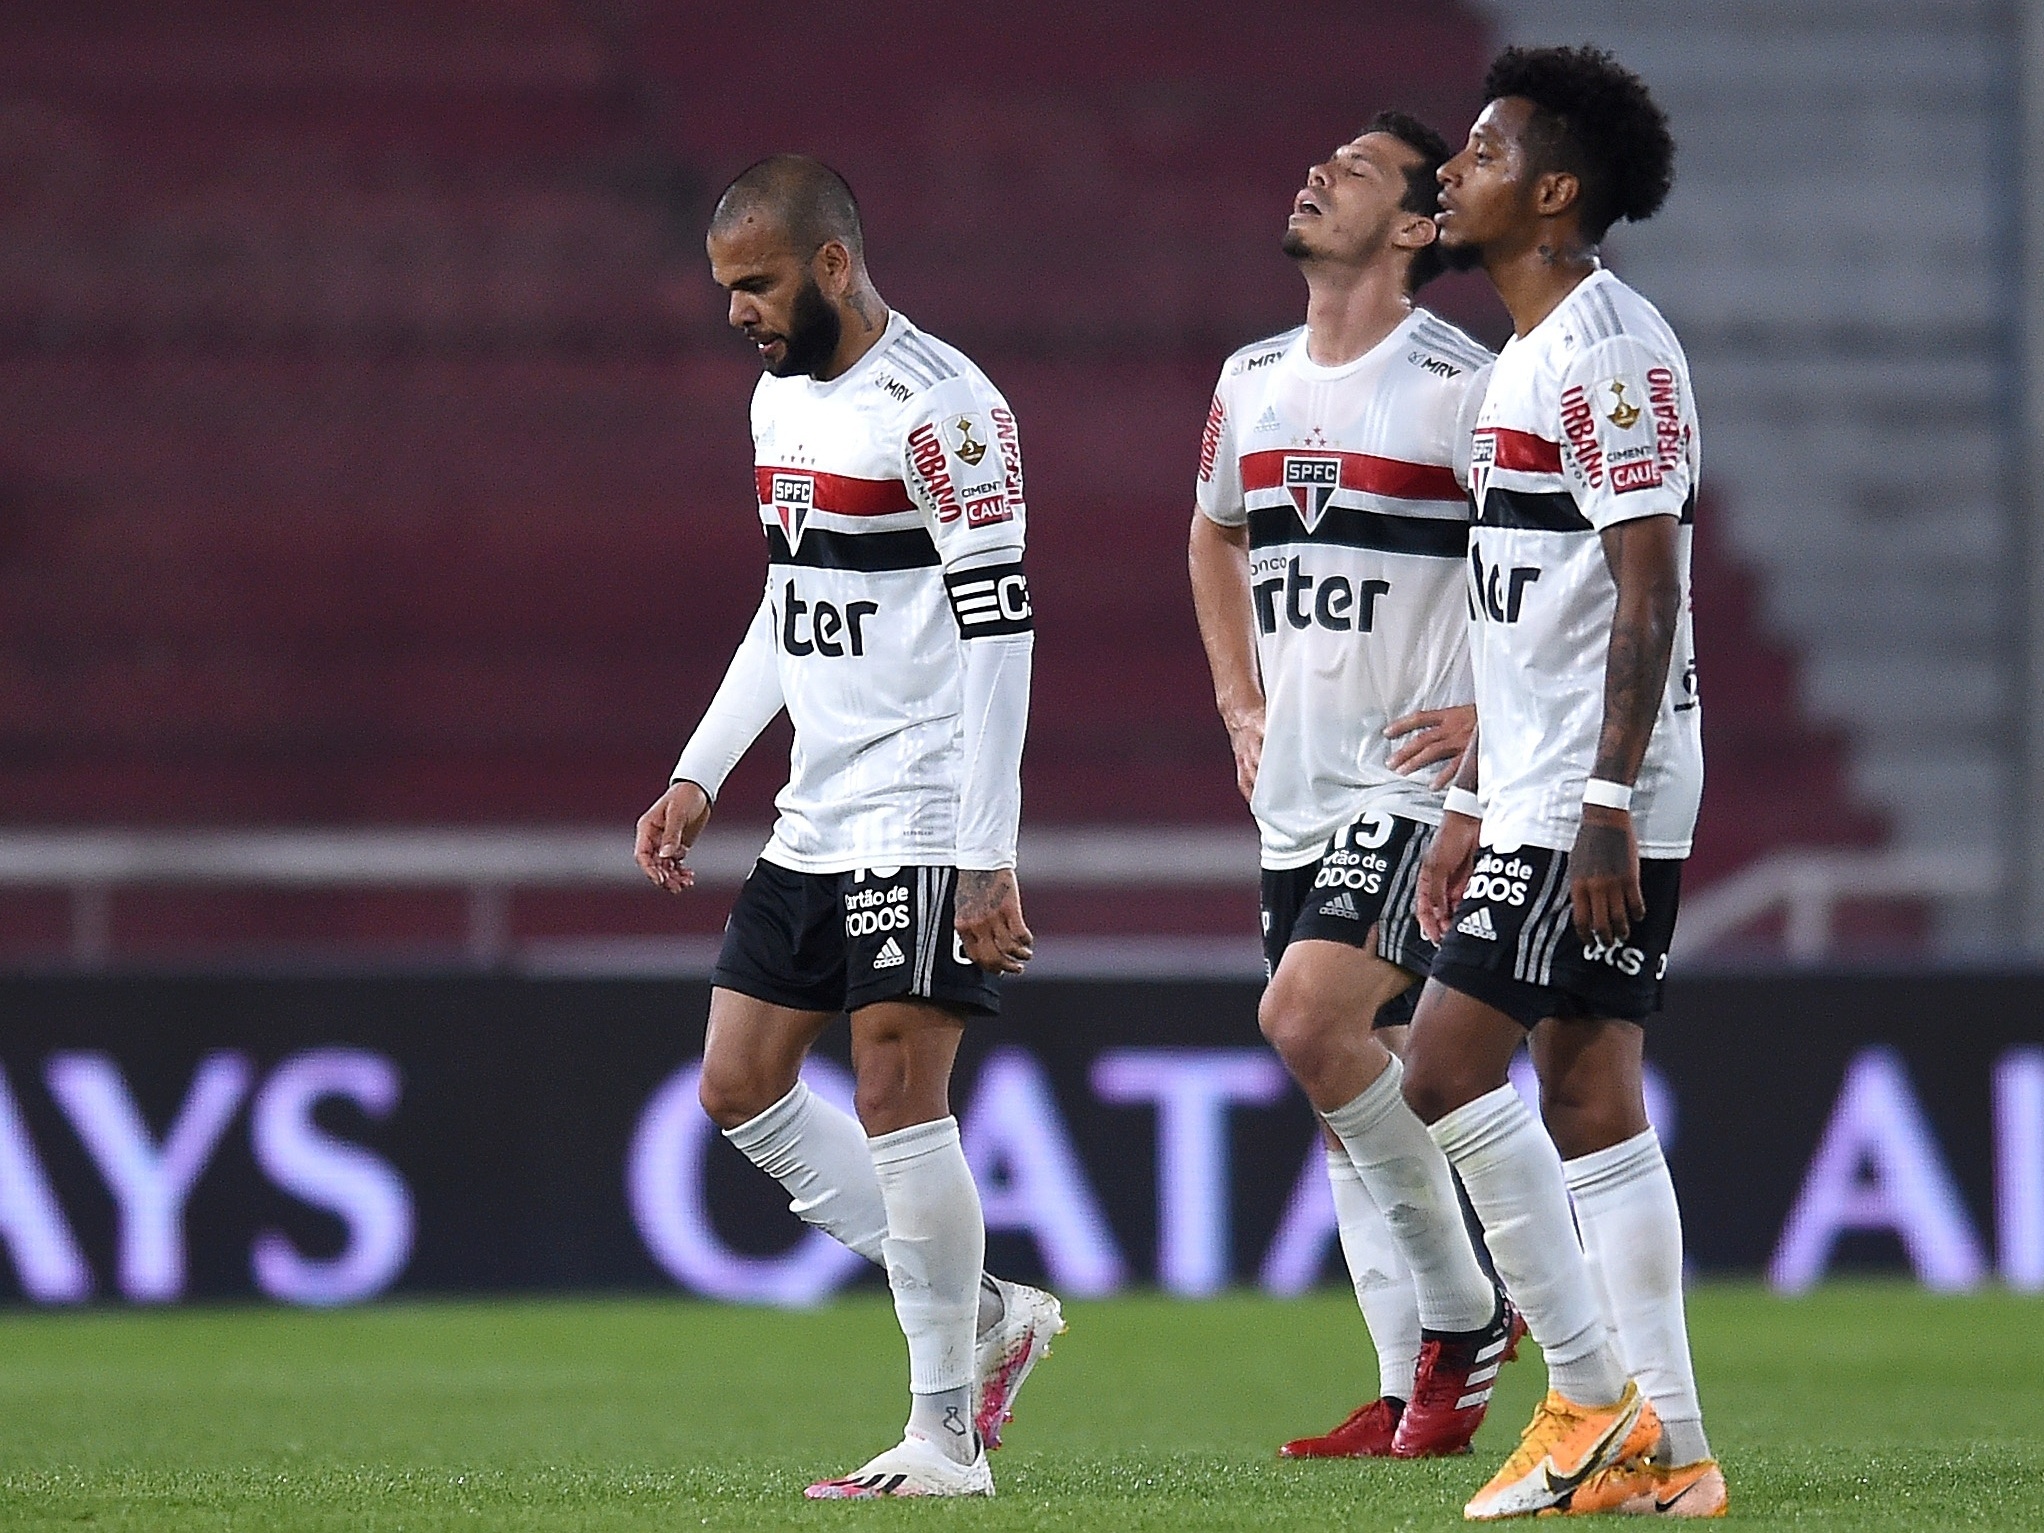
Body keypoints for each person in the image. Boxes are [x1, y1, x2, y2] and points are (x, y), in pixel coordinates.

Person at [634, 154, 1060, 1500]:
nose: (737, 313)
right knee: (740, 1084)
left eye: (754, 283)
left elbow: (1003, 634)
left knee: (893, 1092)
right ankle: (988, 1305)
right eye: (725, 289)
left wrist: (987, 847)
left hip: (925, 804)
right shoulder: (777, 401)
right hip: (817, 805)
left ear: (831, 264)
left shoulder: (945, 410)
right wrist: (703, 769)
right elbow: (790, 595)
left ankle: (947, 1434)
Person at [1408, 47, 1726, 1519]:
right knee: (1591, 1086)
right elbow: (1526, 609)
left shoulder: (1606, 347)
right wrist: (1472, 795)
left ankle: (1591, 1396)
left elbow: (1648, 587)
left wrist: (1601, 798)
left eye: (1478, 152)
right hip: (1539, 783)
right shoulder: (1525, 361)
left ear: (1551, 192)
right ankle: (1678, 1445)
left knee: (1443, 1065)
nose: (1447, 170)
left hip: (1597, 790)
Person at [1188, 111, 1523, 1462]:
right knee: (1352, 1085)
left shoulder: (1463, 381)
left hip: (1403, 784)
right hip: (1296, 786)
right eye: (1318, 157)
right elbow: (1211, 536)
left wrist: (1491, 731)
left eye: (1361, 171)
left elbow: (1543, 568)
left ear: (1416, 225)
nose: (1318, 170)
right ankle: (1410, 1393)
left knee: (1305, 1021)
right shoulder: (1250, 376)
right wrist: (1236, 698)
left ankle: (1466, 1311)